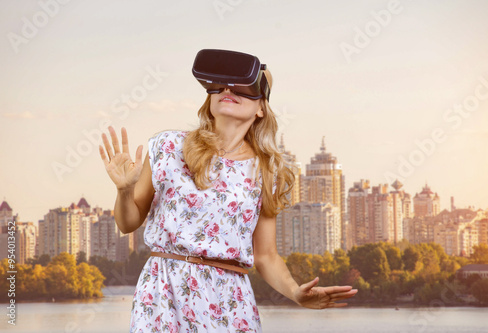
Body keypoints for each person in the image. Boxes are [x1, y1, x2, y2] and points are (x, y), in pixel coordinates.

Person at [99, 49, 357, 332]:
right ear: (209, 99)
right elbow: (127, 223)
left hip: (229, 301)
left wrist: (295, 292)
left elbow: (266, 256)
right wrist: (124, 190)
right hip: (162, 294)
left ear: (261, 108)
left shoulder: (265, 172)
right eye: (218, 85)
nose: (228, 89)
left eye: (245, 86)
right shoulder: (167, 146)